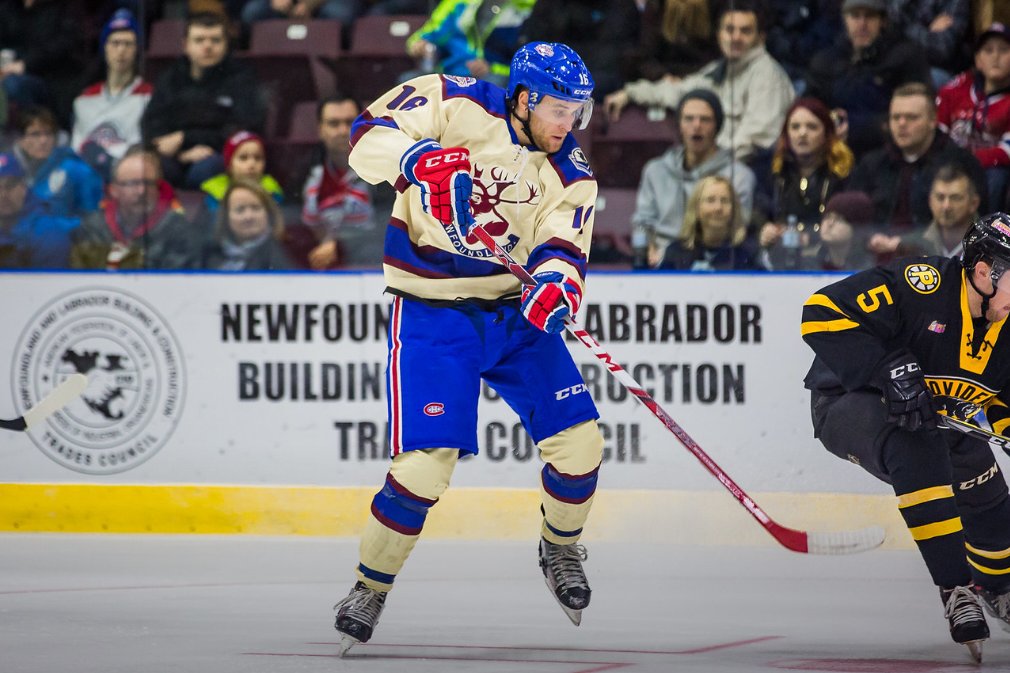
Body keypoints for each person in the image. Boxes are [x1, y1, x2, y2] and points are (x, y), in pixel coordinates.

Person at [333, 42, 605, 654]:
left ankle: (559, 547)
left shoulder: (572, 171)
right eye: (561, 109)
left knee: (582, 446)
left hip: (512, 317)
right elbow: (365, 135)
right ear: (526, 98)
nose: (570, 124)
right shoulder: (451, 100)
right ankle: (370, 587)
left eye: (579, 112)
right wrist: (416, 160)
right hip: (434, 314)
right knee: (424, 468)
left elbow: (564, 244)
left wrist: (558, 284)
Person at [800, 211, 1010, 661]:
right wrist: (889, 365)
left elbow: (999, 397)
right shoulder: (923, 285)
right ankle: (956, 588)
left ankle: (999, 587)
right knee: (920, 446)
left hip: (937, 415)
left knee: (986, 490)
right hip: (848, 401)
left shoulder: (1006, 320)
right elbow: (820, 312)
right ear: (982, 272)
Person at [603, 0, 794, 164]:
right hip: (713, 166)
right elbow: (680, 91)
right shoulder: (721, 69)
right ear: (719, 35)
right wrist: (630, 93)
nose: (736, 37)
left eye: (745, 31)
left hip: (747, 172)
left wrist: (708, 162)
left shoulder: (768, 75)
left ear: (760, 38)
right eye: (730, 30)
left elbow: (756, 140)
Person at [851, 82, 988, 258]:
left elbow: (977, 223)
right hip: (873, 263)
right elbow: (853, 220)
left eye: (911, 117)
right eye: (895, 117)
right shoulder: (871, 164)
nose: (901, 124)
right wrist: (869, 238)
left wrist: (907, 244)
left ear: (933, 120)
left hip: (937, 263)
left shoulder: (961, 164)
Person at [629, 89, 756, 268]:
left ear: (717, 126)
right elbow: (643, 222)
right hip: (662, 263)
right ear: (679, 124)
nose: (696, 126)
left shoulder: (740, 176)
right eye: (689, 119)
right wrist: (649, 247)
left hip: (718, 264)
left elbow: (737, 230)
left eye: (705, 119)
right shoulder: (655, 170)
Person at [141, 12, 266, 189]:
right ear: (186, 45)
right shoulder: (170, 79)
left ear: (225, 45)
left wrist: (186, 138)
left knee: (205, 169)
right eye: (199, 40)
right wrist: (181, 153)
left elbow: (244, 129)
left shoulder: (241, 79)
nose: (207, 46)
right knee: (153, 168)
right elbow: (151, 124)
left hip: (218, 154)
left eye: (215, 40)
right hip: (176, 156)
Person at [804, 0, 930, 157]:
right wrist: (827, 124)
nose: (862, 24)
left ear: (882, 21)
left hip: (887, 152)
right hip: (831, 149)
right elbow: (808, 106)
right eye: (855, 16)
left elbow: (915, 113)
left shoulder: (905, 57)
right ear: (845, 19)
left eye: (869, 16)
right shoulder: (825, 60)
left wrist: (855, 128)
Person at [758, 98, 856, 269]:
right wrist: (765, 232)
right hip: (780, 264)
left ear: (826, 133)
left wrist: (812, 237)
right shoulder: (775, 173)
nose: (802, 133)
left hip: (831, 264)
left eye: (812, 127)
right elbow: (761, 215)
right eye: (795, 127)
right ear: (786, 134)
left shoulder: (844, 175)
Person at [70, 148, 194, 270]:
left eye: (149, 183)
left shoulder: (177, 229)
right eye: (133, 184)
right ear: (113, 190)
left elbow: (175, 284)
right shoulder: (91, 228)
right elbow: (79, 280)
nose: (142, 191)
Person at [71, 9, 152, 184]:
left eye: (128, 44)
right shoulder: (84, 99)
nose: (121, 50)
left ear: (137, 49)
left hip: (125, 175)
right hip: (87, 173)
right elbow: (76, 147)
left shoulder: (148, 96)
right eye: (115, 43)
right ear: (105, 48)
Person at [936, 22, 1010, 210]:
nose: (995, 57)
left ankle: (989, 233)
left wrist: (970, 159)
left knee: (997, 177)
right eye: (988, 50)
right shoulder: (956, 88)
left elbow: (1007, 150)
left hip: (990, 169)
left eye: (1003, 50)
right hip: (951, 160)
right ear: (978, 60)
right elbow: (938, 131)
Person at [300, 95, 377, 269]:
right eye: (334, 124)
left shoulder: (385, 173)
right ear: (320, 130)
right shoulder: (301, 175)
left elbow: (389, 226)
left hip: (372, 270)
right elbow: (292, 228)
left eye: (349, 122)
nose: (343, 131)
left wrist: (340, 245)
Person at [519, 0, 642, 100]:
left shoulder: (622, 8)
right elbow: (532, 48)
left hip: (601, 94)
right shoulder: (551, 6)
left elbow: (624, 58)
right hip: (548, 87)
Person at [405, 0, 536, 87]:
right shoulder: (458, 3)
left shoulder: (527, 7)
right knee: (409, 81)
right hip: (452, 71)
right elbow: (428, 34)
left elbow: (534, 64)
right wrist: (418, 44)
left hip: (496, 75)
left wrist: (492, 67)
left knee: (492, 86)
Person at [869, 164, 981, 259]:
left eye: (955, 198)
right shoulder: (910, 245)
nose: (946, 206)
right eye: (940, 197)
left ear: (973, 203)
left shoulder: (989, 245)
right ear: (930, 201)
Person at [13, 106, 104, 219]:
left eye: (48, 134)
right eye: (35, 134)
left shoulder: (77, 170)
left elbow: (92, 216)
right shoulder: (10, 171)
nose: (43, 141)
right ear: (20, 140)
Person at [658, 175, 758, 271]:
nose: (718, 208)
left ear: (734, 209)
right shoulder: (676, 252)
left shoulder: (748, 253)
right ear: (696, 208)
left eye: (724, 201)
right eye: (710, 200)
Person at [0, 152, 79, 268]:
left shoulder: (48, 232)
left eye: (10, 185)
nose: (3, 195)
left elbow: (47, 283)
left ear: (23, 187)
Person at [200, 179, 295, 271]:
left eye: (256, 208)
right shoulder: (208, 253)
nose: (248, 217)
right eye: (240, 210)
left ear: (268, 212)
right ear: (226, 217)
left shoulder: (279, 256)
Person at [886, 0, 971, 87]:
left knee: (932, 79)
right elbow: (885, 30)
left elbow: (942, 48)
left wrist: (903, 29)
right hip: (892, 60)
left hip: (934, 68)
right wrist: (927, 32)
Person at [199, 130, 283, 217]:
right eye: (243, 158)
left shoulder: (271, 192)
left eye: (258, 158)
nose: (252, 164)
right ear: (229, 164)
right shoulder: (216, 193)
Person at [796, 190, 875, 271]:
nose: (829, 224)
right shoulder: (810, 265)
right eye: (827, 217)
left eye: (839, 219)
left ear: (856, 228)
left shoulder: (868, 269)